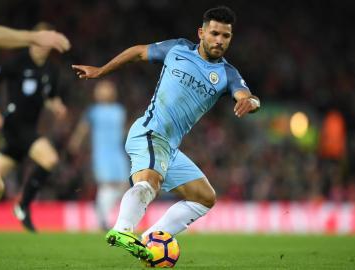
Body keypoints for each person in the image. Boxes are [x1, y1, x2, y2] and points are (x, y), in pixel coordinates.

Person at [72, 6, 260, 262]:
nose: (219, 40)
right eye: (214, 33)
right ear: (201, 33)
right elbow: (139, 51)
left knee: (204, 197)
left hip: (169, 147)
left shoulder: (227, 74)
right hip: (150, 131)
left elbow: (246, 95)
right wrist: (101, 71)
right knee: (150, 182)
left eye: (225, 36)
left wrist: (252, 103)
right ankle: (122, 229)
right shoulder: (178, 49)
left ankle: (152, 238)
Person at [0, 22, 68, 232]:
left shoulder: (52, 70)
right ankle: (22, 205)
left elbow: (49, 98)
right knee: (50, 159)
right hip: (14, 125)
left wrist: (56, 106)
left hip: (28, 129)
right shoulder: (18, 62)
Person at [68, 80, 130, 230]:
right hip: (102, 154)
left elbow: (124, 131)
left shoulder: (119, 110)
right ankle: (102, 219)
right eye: (100, 89)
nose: (103, 91)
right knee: (107, 184)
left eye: (107, 88)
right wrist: (75, 143)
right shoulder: (93, 111)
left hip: (118, 153)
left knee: (125, 184)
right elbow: (82, 129)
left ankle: (101, 210)